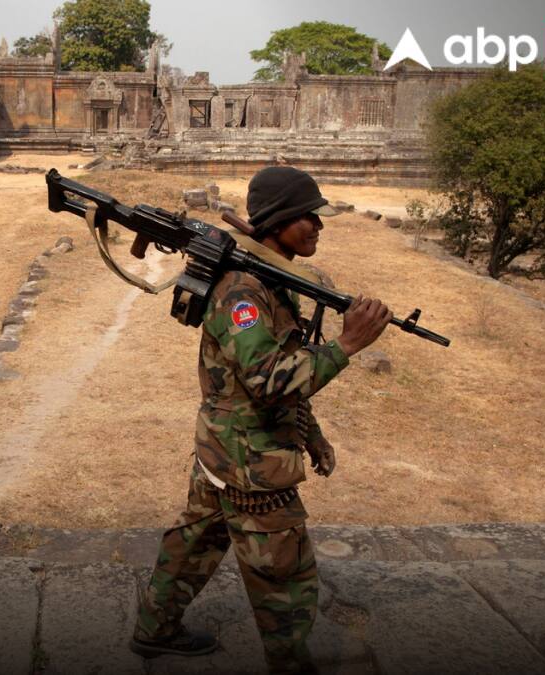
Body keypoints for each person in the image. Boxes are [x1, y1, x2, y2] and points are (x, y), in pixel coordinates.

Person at [130, 166, 393, 673]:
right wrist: (348, 344)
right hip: (250, 462)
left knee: (195, 542)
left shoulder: (270, 277)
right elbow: (269, 381)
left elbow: (280, 367)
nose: (318, 226)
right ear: (277, 221)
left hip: (225, 449)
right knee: (286, 578)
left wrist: (312, 435)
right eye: (308, 217)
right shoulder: (243, 292)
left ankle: (154, 629)